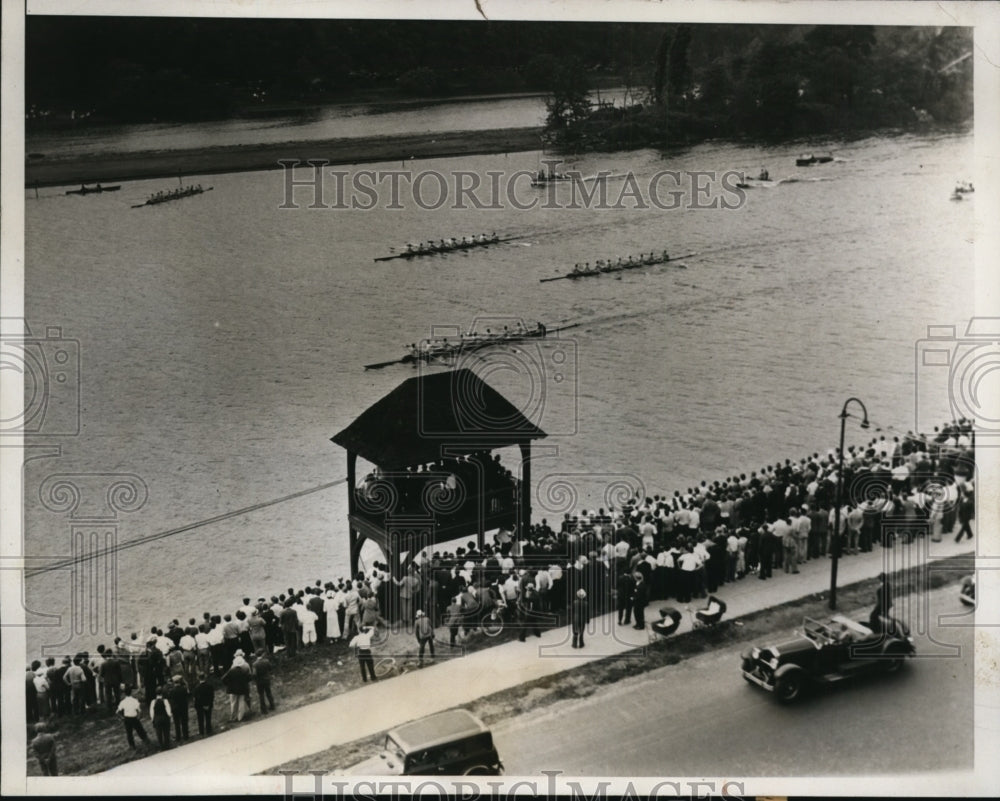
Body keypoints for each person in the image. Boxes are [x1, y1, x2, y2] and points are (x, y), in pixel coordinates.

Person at [166, 675, 190, 742]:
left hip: (175, 709)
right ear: (179, 682)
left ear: (174, 683)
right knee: (184, 722)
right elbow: (188, 695)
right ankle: (186, 736)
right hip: (183, 708)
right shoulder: (184, 689)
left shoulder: (172, 691)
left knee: (177, 724)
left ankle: (178, 737)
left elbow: (170, 698)